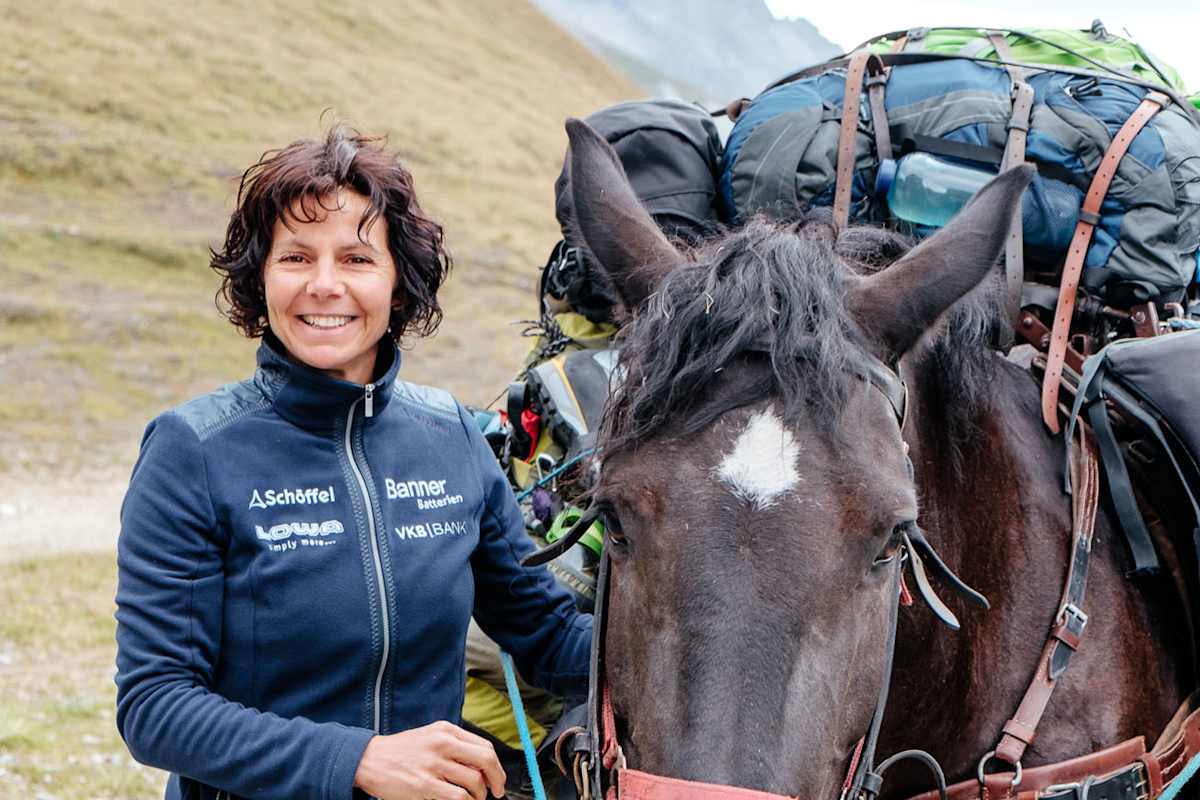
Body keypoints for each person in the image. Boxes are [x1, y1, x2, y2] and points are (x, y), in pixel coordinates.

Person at [114, 125, 592, 800]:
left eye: (358, 259)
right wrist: (358, 761)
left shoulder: (451, 437)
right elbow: (155, 707)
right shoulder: (192, 451)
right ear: (261, 278)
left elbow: (547, 636)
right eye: (296, 258)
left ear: (399, 284)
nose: (325, 285)